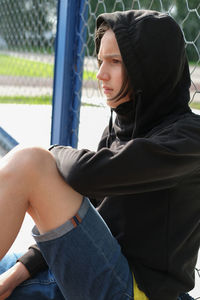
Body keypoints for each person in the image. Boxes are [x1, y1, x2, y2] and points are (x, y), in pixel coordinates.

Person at [0, 9, 199, 300]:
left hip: (134, 291)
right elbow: (91, 202)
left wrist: (49, 153)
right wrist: (17, 273)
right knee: (6, 270)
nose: (100, 74)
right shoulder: (123, 124)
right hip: (95, 270)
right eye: (100, 60)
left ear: (151, 67)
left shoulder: (189, 139)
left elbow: (86, 176)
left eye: (116, 62)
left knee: (30, 161)